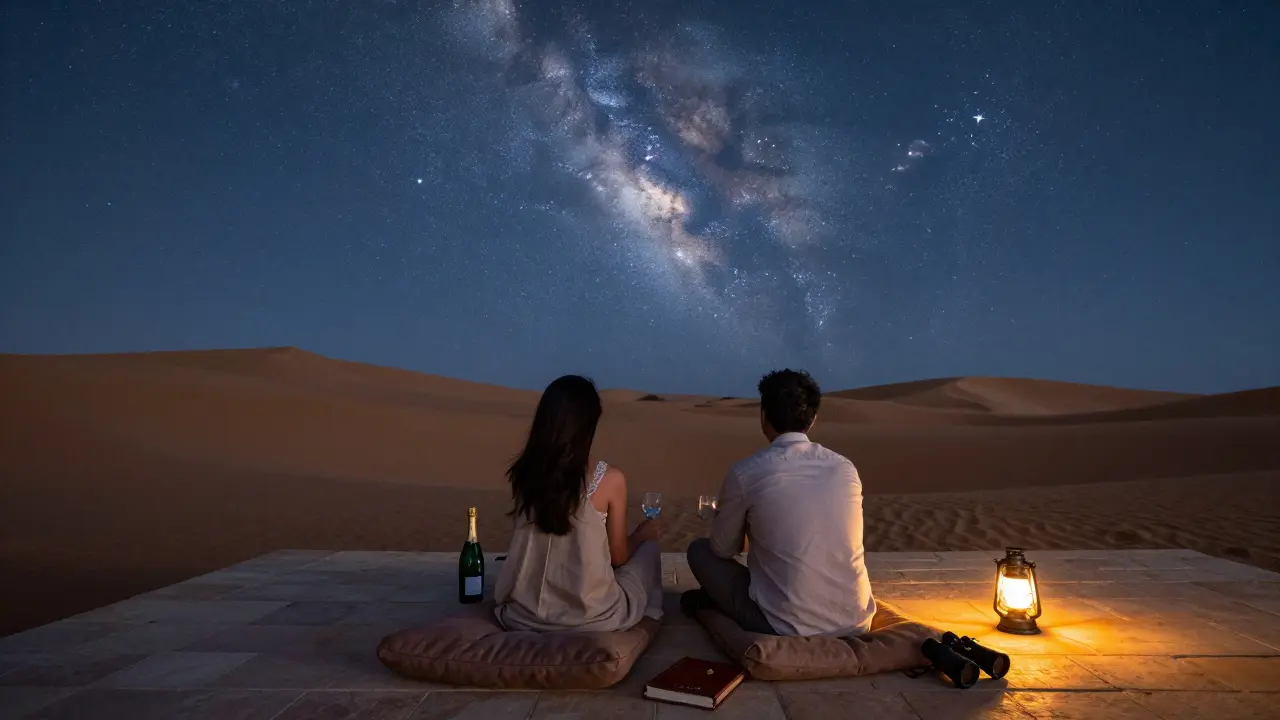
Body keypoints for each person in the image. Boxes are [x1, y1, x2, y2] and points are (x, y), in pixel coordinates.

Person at [683, 369, 876, 637]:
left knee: (699, 551)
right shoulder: (845, 468)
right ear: (813, 419)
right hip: (856, 619)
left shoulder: (746, 473)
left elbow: (722, 550)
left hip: (785, 625)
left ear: (763, 416)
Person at [494, 374, 664, 632]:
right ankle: (652, 618)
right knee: (648, 552)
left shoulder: (525, 474)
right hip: (591, 617)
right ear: (588, 425)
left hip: (524, 613)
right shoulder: (609, 478)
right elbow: (619, 557)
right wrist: (641, 535)